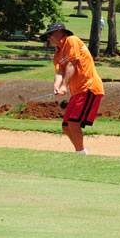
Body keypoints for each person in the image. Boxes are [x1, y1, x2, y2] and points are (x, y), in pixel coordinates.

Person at [40, 22, 104, 155]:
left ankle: (80, 153)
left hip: (89, 87)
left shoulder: (71, 40)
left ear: (60, 32)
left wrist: (64, 85)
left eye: (50, 34)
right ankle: (80, 152)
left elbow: (72, 63)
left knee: (73, 123)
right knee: (66, 126)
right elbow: (60, 72)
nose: (49, 38)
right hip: (77, 92)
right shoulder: (57, 55)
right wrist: (57, 86)